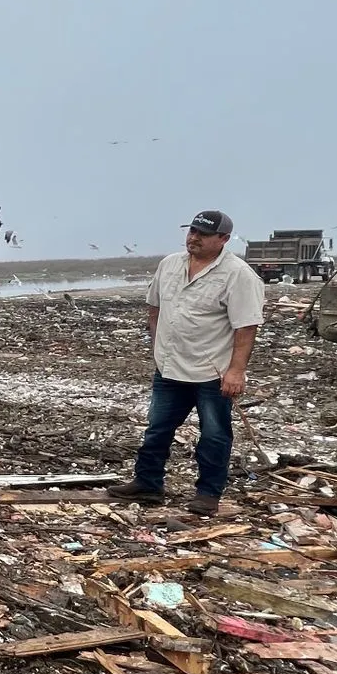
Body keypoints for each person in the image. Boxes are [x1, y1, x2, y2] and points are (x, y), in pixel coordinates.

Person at [107, 210, 264, 516]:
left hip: (211, 372)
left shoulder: (238, 275)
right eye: (192, 231)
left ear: (223, 239)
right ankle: (148, 483)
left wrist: (236, 370)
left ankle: (208, 494)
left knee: (215, 434)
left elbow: (246, 326)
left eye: (202, 235)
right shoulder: (170, 265)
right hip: (169, 367)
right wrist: (157, 346)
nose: (194, 238)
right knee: (157, 428)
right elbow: (154, 306)